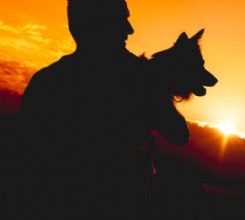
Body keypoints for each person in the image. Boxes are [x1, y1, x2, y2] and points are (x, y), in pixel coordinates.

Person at [19, 0, 189, 219]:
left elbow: (27, 163)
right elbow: (179, 134)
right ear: (98, 25)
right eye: (121, 20)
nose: (130, 29)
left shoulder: (45, 82)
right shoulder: (139, 79)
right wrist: (159, 82)